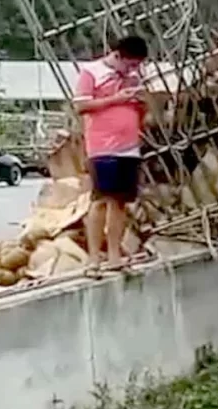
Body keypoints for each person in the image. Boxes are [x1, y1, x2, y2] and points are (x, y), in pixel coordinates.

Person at [72, 35, 149, 265]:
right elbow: (81, 105)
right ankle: (94, 257)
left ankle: (115, 253)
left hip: (129, 146)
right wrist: (116, 98)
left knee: (120, 202)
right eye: (130, 64)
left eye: (137, 65)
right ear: (117, 56)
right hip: (103, 147)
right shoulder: (91, 72)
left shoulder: (133, 77)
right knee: (101, 200)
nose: (133, 69)